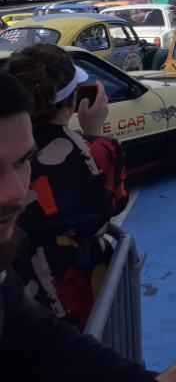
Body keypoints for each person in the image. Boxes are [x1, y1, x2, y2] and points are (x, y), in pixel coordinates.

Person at [0, 72, 176, 381]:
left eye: (22, 161)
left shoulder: (8, 276)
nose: (17, 191)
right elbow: (113, 200)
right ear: (73, 100)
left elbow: (50, 347)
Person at [7, 44, 126, 330]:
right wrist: (93, 134)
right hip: (79, 294)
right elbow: (114, 202)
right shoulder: (101, 150)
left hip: (16, 293)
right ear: (73, 100)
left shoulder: (8, 154)